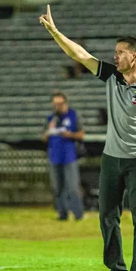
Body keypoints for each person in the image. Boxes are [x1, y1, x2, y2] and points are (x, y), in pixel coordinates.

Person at [39, 5, 136, 271]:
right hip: (111, 160)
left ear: (135, 55)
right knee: (107, 217)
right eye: (115, 52)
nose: (115, 56)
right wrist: (56, 33)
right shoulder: (111, 76)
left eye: (120, 52)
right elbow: (78, 54)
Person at [42, 91, 86, 221]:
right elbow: (43, 138)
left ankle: (78, 214)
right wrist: (49, 131)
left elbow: (81, 134)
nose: (57, 107)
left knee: (72, 186)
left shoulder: (73, 115)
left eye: (60, 104)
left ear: (65, 103)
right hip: (54, 156)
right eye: (55, 104)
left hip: (69, 156)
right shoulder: (51, 118)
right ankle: (62, 213)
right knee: (57, 187)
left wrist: (70, 135)